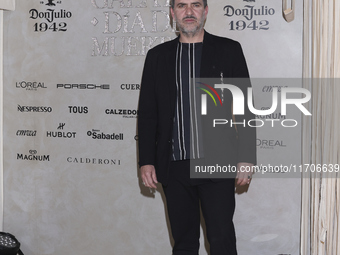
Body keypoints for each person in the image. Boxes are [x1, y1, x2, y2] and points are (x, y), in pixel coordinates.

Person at [138, 0, 256, 254]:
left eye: (195, 5)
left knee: (222, 239)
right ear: (172, 12)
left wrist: (246, 157)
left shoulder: (229, 50)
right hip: (174, 165)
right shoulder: (157, 57)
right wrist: (146, 160)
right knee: (184, 243)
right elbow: (148, 114)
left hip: (218, 163)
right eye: (181, 5)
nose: (189, 12)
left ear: (205, 11)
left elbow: (245, 108)